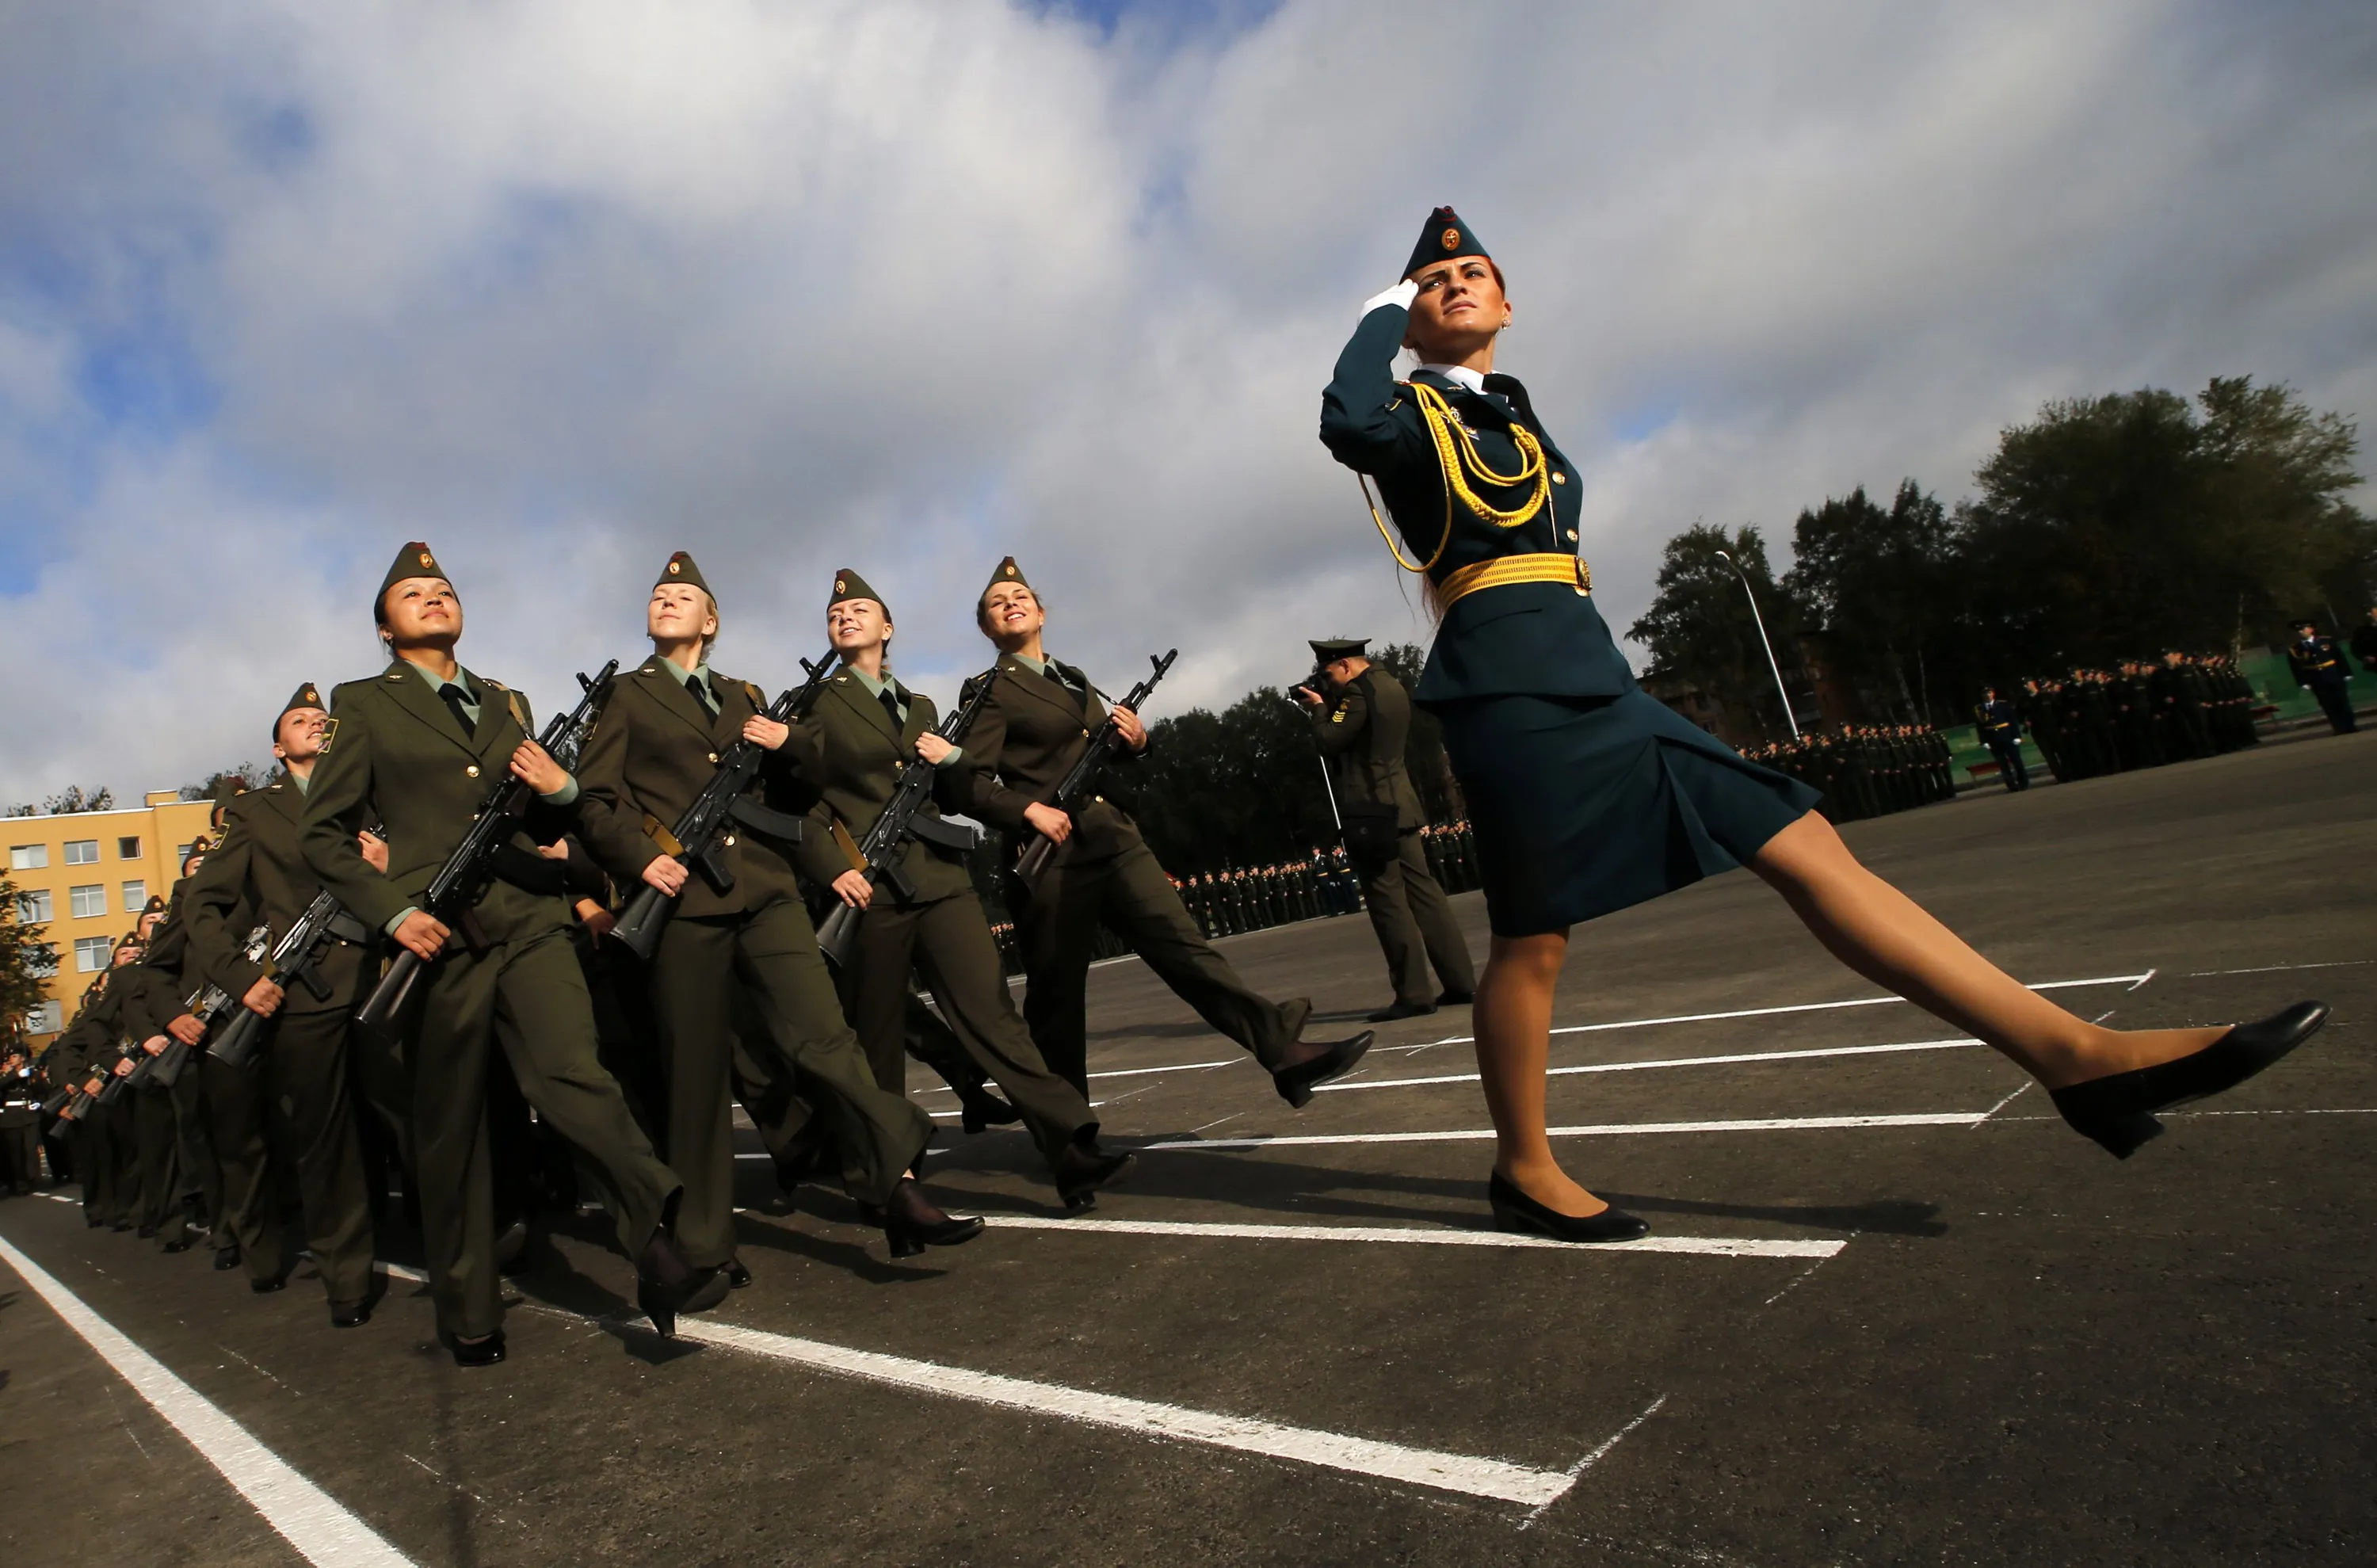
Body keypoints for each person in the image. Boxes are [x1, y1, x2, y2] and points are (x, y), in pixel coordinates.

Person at [1318, 206, 2326, 1241]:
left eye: (1476, 272)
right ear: (1408, 314)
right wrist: (1378, 315)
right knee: (1534, 944)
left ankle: (2074, 1056)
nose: (1455, 285)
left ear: (1510, 303)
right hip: (1514, 696)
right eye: (1432, 283)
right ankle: (1524, 1167)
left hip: (1600, 681)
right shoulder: (1405, 415)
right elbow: (1346, 423)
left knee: (1813, 851)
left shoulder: (1513, 414)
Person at [300, 542, 719, 1365]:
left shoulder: (507, 700)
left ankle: (656, 1240)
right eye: (413, 593)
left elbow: (548, 823)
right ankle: (468, 1304)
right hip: (439, 935)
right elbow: (324, 835)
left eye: (444, 588)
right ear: (385, 628)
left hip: (529, 917)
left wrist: (562, 792)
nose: (433, 597)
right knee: (452, 1128)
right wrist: (391, 915)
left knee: (574, 1077)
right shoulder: (363, 704)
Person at [572, 551, 982, 1273]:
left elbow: (799, 795)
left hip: (765, 889)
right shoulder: (627, 697)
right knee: (696, 1078)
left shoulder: (744, 695)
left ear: (712, 619)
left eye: (682, 595)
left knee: (824, 1038)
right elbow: (596, 800)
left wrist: (790, 742)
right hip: (682, 903)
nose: (666, 601)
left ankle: (894, 1179)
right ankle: (705, 1243)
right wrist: (640, 858)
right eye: (658, 594)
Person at [960, 557, 1375, 1103]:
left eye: (1021, 595)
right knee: (1057, 998)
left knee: (1186, 949)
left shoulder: (1074, 677)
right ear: (988, 628)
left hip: (1112, 836)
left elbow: (1093, 756)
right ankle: (1069, 1133)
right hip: (1051, 854)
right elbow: (967, 781)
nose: (1011, 602)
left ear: (1041, 611)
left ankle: (1282, 1051)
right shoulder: (987, 688)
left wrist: (1136, 742)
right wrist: (1027, 811)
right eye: (997, 602)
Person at [795, 568, 1134, 1210]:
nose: (846, 617)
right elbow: (799, 798)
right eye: (836, 614)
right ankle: (894, 1186)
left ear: (887, 628)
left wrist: (953, 761)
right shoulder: (812, 701)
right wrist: (827, 865)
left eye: (862, 609)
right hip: (867, 888)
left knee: (995, 1016)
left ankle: (1071, 1148)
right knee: (879, 1038)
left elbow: (958, 792)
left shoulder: (921, 707)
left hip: (939, 879)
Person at [181, 682, 383, 1324]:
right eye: (301, 720)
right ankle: (346, 1276)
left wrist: (388, 863)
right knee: (326, 1138)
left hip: (383, 969)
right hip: (309, 989)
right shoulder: (257, 814)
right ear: (279, 746)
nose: (316, 725)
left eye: (324, 719)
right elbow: (204, 905)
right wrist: (241, 978)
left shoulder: (369, 797)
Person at [1296, 637, 1475, 1020]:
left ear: (1345, 666)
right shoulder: (1390, 685)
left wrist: (1318, 710)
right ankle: (1460, 981)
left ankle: (1413, 993)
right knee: (1426, 895)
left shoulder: (1357, 696)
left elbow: (1329, 739)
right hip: (1401, 804)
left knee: (1388, 902)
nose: (1328, 681)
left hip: (1371, 811)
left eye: (1329, 673)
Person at [2285, 619, 2358, 735]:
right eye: (2298, 630)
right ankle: (2338, 727)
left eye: (2303, 629)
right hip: (2316, 679)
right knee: (2327, 704)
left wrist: (2346, 673)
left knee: (2342, 702)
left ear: (2311, 629)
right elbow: (2295, 667)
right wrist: (2302, 682)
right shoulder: (2295, 649)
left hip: (2333, 675)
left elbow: (2339, 657)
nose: (2301, 632)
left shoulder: (2326, 641)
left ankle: (2350, 725)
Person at [1973, 687, 2028, 792]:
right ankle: (2011, 785)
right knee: (2002, 764)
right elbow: (1980, 727)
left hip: (2007, 736)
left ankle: (2023, 783)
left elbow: (2012, 721)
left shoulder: (2003, 705)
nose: (1988, 695)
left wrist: (2017, 736)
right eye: (1985, 693)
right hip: (1993, 739)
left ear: (1993, 693)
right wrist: (1983, 741)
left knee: (2017, 761)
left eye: (1989, 692)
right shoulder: (1979, 709)